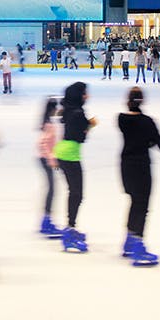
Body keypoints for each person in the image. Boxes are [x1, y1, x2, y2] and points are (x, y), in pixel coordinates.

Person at [119, 87, 160, 266]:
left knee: (134, 202)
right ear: (143, 101)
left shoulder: (121, 119)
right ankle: (138, 244)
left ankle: (129, 241)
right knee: (142, 205)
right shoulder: (147, 122)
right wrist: (150, 137)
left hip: (126, 166)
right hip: (142, 167)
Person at [54, 82, 96, 252]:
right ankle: (70, 231)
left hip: (64, 152)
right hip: (70, 155)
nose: (87, 96)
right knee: (77, 193)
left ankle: (71, 228)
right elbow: (80, 137)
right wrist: (89, 126)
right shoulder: (78, 112)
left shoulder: (69, 109)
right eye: (85, 93)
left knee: (75, 192)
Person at [37, 97, 62, 238]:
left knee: (52, 189)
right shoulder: (49, 125)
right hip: (45, 160)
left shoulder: (47, 123)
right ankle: (46, 222)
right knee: (52, 190)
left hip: (46, 159)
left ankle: (46, 220)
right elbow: (42, 143)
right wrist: (51, 159)